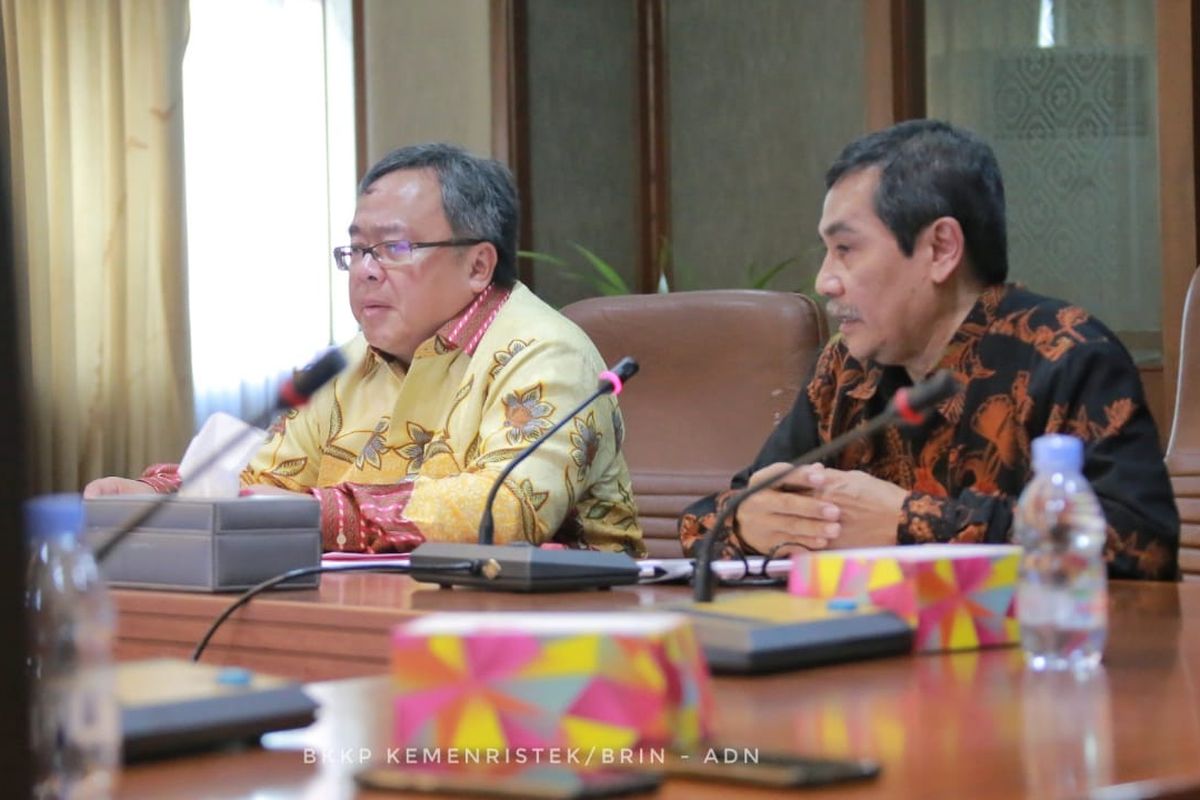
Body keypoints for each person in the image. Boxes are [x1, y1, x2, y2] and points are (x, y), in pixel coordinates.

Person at [678, 119, 1179, 581]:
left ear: (941, 249)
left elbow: (1141, 550)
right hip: (873, 660)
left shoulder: (1066, 353)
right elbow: (707, 518)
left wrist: (907, 522)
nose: (824, 281)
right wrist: (748, 522)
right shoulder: (847, 371)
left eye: (846, 249)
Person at [86, 143, 644, 556]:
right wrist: (161, 495)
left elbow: (506, 509)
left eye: (394, 248)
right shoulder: (344, 366)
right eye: (356, 251)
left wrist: (319, 515)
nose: (367, 272)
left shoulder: (546, 355)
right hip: (388, 609)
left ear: (479, 264)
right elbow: (265, 481)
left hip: (565, 632)